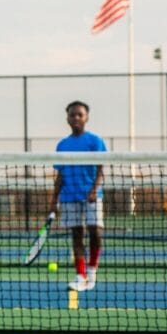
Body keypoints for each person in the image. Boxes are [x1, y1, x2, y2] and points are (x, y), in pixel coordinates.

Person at [49, 101, 106, 292]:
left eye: (79, 115)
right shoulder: (62, 145)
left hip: (92, 196)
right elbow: (60, 175)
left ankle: (92, 271)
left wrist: (93, 190)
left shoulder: (95, 141)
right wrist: (53, 201)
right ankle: (80, 276)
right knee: (76, 235)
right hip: (69, 197)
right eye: (72, 115)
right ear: (67, 118)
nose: (76, 118)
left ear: (86, 117)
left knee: (96, 233)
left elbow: (101, 170)